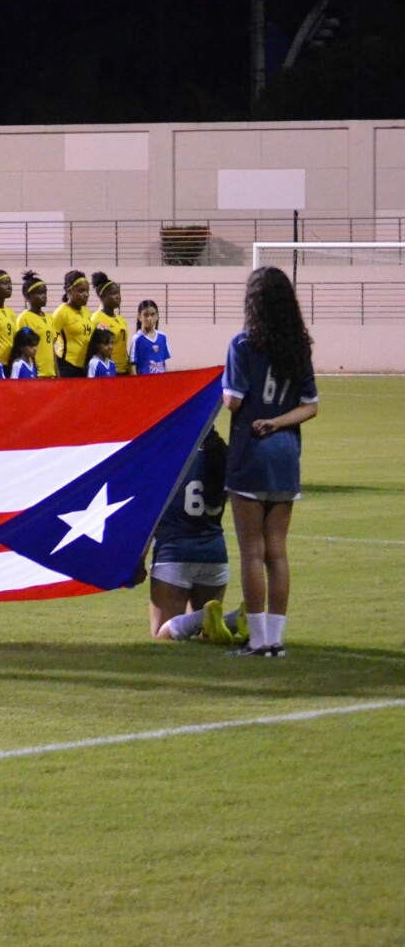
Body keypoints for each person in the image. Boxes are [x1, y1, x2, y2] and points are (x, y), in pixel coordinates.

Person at [223, 266, 319, 658]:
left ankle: (259, 640)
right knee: (277, 551)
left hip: (250, 453)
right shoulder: (299, 346)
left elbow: (233, 400)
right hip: (286, 456)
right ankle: (276, 641)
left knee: (252, 551)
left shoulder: (243, 344)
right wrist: (278, 422)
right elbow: (310, 407)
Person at [144, 432, 234, 642]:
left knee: (161, 634)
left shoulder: (170, 457)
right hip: (216, 555)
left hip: (174, 555)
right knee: (208, 632)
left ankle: (212, 615)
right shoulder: (222, 456)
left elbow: (152, 517)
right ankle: (236, 619)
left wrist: (139, 559)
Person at [50, 270, 95, 378]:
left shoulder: (87, 312)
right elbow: (49, 344)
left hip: (84, 367)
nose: (86, 295)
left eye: (87, 291)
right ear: (70, 291)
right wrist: (57, 370)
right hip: (67, 366)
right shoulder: (61, 312)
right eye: (81, 291)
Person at [16, 272, 57, 378]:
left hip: (50, 374)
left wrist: (57, 372)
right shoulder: (24, 318)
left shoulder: (49, 318)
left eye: (45, 293)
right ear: (28, 296)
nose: (44, 296)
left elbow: (51, 348)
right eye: (40, 293)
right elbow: (23, 348)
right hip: (35, 374)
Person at [90, 278, 132, 375]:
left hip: (124, 370)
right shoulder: (97, 318)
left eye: (118, 293)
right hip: (109, 370)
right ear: (102, 297)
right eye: (113, 293)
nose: (118, 297)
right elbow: (95, 347)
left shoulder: (121, 319)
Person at [131, 299, 171, 376]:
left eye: (152, 315)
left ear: (157, 316)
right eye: (146, 315)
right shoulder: (137, 339)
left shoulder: (162, 337)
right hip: (145, 383)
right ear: (139, 317)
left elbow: (163, 363)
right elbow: (132, 365)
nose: (149, 318)